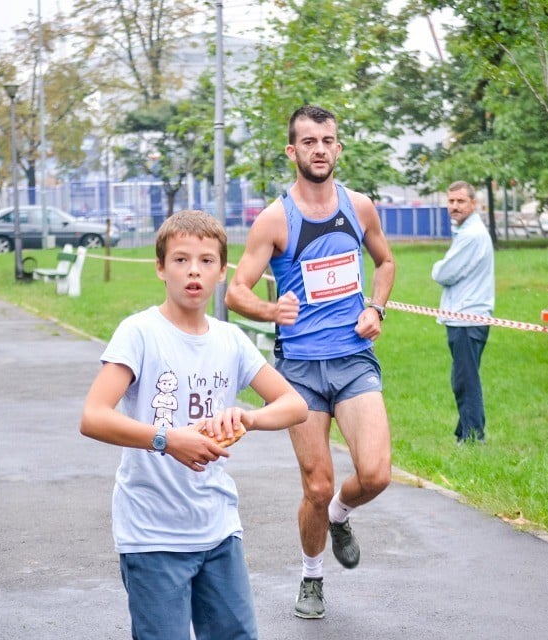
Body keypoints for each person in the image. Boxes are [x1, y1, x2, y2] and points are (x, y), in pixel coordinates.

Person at [80, 209, 308, 640]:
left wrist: (248, 417)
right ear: (160, 268)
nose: (193, 271)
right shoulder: (140, 333)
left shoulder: (231, 340)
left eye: (206, 261)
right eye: (181, 260)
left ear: (223, 271)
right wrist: (166, 440)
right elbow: (94, 416)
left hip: (219, 530)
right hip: (152, 535)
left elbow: (294, 404)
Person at [225, 104, 396, 620]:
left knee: (377, 474)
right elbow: (235, 292)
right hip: (299, 369)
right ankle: (312, 576)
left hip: (353, 360)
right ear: (292, 150)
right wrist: (269, 307)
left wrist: (376, 307)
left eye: (328, 140)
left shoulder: (360, 207)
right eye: (309, 141)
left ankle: (342, 516)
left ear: (337, 148)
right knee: (316, 486)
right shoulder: (276, 219)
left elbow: (386, 262)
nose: (319, 149)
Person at [431, 181, 495, 445]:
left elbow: (444, 273)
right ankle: (464, 433)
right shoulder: (466, 231)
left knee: (465, 381)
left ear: (473, 204)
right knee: (464, 378)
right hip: (464, 316)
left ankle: (472, 437)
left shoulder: (471, 235)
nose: (454, 207)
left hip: (467, 318)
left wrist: (436, 267)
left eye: (460, 202)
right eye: (451, 201)